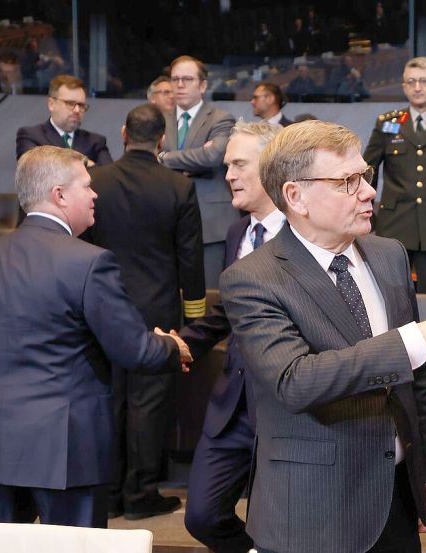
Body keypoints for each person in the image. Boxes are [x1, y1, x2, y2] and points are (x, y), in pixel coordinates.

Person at [219, 120, 426, 553]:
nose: (369, 192)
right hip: (311, 511)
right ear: (296, 197)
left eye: (364, 176)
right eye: (348, 182)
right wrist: (414, 341)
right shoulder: (253, 279)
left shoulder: (388, 255)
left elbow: (413, 384)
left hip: (396, 503)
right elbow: (296, 382)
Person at [0, 146, 190, 528]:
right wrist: (171, 345)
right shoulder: (90, 261)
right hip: (65, 447)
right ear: (59, 194)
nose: (95, 194)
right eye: (87, 186)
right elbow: (134, 350)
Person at [83, 104, 206, 520]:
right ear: (161, 140)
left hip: (102, 307)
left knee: (108, 398)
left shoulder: (96, 181)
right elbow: (190, 260)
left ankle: (111, 492)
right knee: (149, 406)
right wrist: (192, 320)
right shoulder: (178, 187)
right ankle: (141, 493)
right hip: (158, 310)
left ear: (122, 134)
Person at [180, 121, 285, 553]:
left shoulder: (308, 235)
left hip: (283, 408)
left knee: (274, 524)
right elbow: (229, 307)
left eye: (239, 164)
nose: (229, 175)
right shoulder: (238, 233)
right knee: (201, 515)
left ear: (272, 168)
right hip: (231, 407)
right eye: (227, 166)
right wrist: (183, 342)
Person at [363, 56, 426, 293]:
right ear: (404, 87)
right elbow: (369, 169)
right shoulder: (388, 124)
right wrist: (367, 213)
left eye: (424, 81)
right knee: (390, 293)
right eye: (411, 82)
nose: (417, 87)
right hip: (395, 223)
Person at [157, 55, 237, 288]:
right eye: (175, 79)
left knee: (211, 292)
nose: (179, 85)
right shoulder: (160, 120)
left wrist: (166, 158)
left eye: (187, 79)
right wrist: (194, 158)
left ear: (202, 86)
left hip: (210, 222)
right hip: (169, 218)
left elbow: (213, 156)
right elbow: (151, 160)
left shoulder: (222, 119)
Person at [16, 74, 113, 165]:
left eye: (81, 105)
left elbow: (108, 175)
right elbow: (35, 170)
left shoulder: (95, 141)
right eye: (70, 103)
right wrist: (87, 164)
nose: (77, 110)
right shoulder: (31, 136)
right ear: (51, 104)